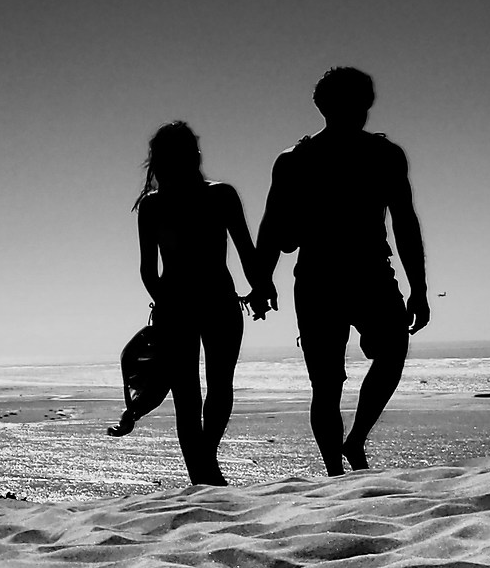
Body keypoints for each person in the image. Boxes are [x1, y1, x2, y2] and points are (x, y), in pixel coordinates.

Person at [249, 66, 435, 476]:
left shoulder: (385, 155)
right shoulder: (296, 159)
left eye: (361, 102)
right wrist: (261, 280)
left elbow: (405, 221)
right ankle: (335, 469)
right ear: (325, 107)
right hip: (320, 278)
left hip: (368, 273)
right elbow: (273, 225)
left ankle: (354, 442)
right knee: (327, 384)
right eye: (350, 102)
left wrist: (419, 287)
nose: (359, 110)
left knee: (391, 353)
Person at [131, 120, 262, 485]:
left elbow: (147, 271)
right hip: (218, 301)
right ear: (196, 155)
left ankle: (202, 471)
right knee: (219, 386)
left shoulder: (153, 205)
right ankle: (206, 467)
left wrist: (167, 304)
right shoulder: (220, 195)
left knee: (187, 395)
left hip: (179, 306)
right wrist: (262, 288)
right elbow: (247, 253)